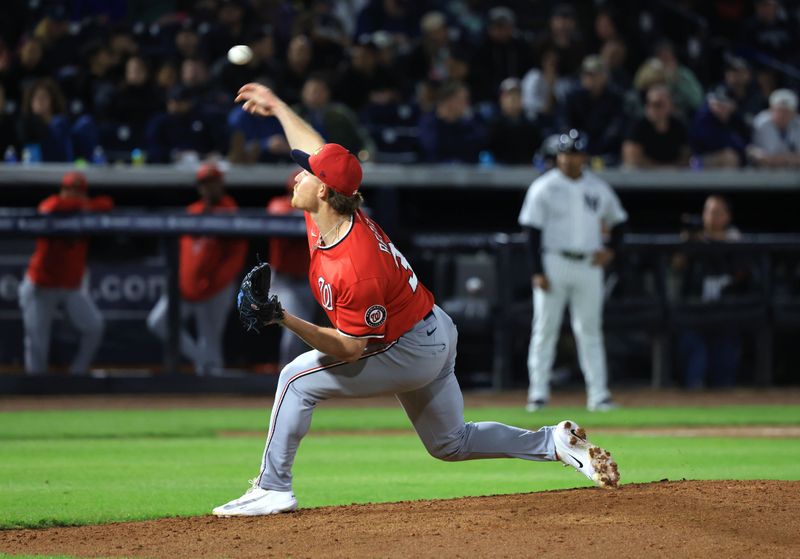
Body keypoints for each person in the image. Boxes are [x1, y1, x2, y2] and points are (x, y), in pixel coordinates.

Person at [212, 84, 620, 517]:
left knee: (296, 379)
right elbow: (313, 146)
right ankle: (552, 442)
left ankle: (273, 487)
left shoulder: (354, 264)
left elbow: (352, 349)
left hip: (407, 348)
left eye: (307, 174)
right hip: (432, 329)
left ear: (326, 192)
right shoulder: (328, 211)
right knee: (450, 443)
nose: (297, 175)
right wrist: (277, 107)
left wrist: (283, 318)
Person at [518, 129, 627, 413]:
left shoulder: (597, 187)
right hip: (553, 261)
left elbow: (619, 222)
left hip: (589, 264)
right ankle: (538, 393)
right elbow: (530, 232)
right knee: (545, 329)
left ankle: (599, 395)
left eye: (574, 154)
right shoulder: (544, 186)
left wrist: (611, 249)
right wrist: (536, 270)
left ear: (584, 157)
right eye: (565, 154)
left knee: (589, 329)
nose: (569, 159)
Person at [146, 163, 248, 375]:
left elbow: (235, 259)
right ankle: (207, 363)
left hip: (215, 290)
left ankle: (214, 386)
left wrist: (214, 285)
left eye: (212, 183)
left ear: (221, 185)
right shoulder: (192, 211)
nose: (208, 188)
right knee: (158, 322)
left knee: (210, 339)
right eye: (204, 184)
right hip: (186, 289)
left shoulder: (230, 213)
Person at [18, 171, 113, 375]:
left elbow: (107, 203)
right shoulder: (53, 206)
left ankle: (77, 374)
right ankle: (36, 388)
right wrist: (80, 205)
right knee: (37, 341)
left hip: (69, 287)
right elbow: (47, 207)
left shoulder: (85, 212)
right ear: (62, 190)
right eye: (68, 189)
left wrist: (83, 207)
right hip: (40, 285)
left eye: (77, 190)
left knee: (94, 327)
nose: (72, 193)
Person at [672, 195, 752, 389]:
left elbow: (745, 274)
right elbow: (676, 266)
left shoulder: (736, 240)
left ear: (727, 217)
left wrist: (716, 242)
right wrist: (689, 243)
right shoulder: (694, 239)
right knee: (695, 362)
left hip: (727, 316)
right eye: (708, 212)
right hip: (695, 315)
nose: (711, 217)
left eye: (717, 212)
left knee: (724, 370)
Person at [266, 175, 315, 369]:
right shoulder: (279, 204)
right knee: (294, 332)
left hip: (307, 281)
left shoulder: (315, 209)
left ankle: (301, 377)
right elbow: (276, 212)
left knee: (309, 334)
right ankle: (285, 375)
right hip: (283, 281)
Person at [622, 84, 690, 169]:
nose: (652, 108)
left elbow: (686, 158)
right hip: (642, 178)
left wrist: (668, 171)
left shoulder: (679, 126)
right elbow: (632, 159)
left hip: (673, 178)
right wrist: (662, 169)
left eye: (658, 104)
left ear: (670, 105)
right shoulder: (638, 126)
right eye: (648, 103)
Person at [747, 88, 800, 167]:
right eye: (779, 110)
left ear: (794, 113)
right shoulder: (761, 123)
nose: (782, 115)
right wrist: (785, 158)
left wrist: (783, 159)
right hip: (766, 170)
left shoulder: (798, 123)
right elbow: (756, 152)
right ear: (771, 109)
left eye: (786, 111)